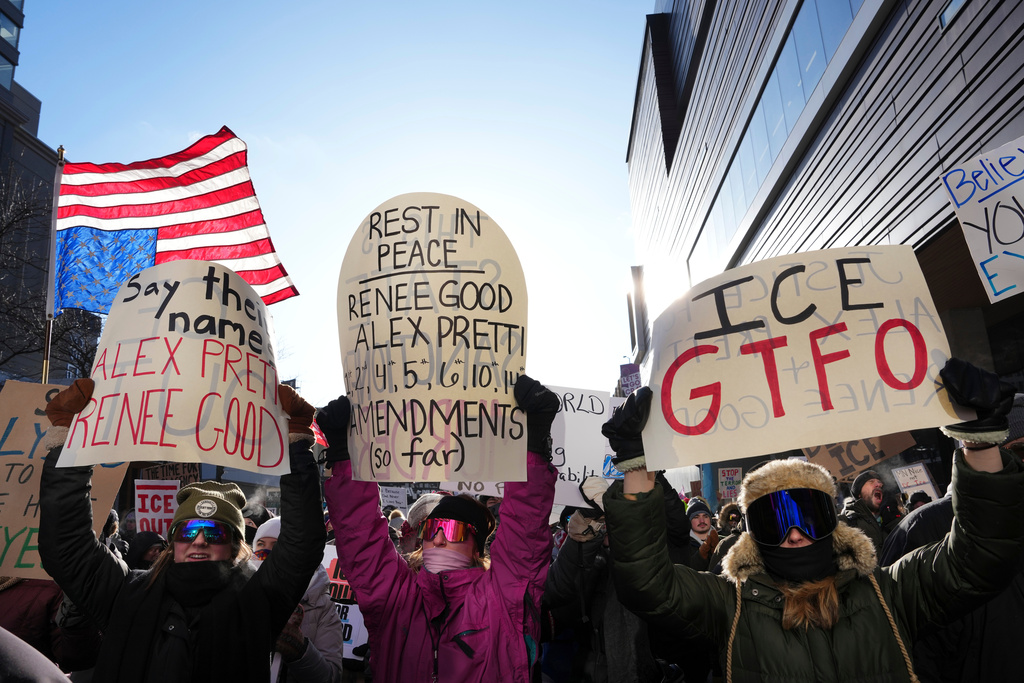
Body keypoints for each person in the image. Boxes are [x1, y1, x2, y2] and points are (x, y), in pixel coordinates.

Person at [601, 359, 1024, 682]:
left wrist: (978, 441)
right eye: (774, 521)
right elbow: (648, 585)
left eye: (807, 515)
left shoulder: (890, 592)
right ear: (751, 535)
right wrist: (638, 468)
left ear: (833, 521)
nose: (795, 534)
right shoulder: (728, 605)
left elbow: (977, 560)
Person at [37, 378, 326, 682]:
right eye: (188, 532)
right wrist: (68, 443)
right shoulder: (127, 592)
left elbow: (301, 542)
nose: (199, 541)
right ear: (173, 541)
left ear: (235, 545)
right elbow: (66, 546)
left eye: (215, 533)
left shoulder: (259, 599)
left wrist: (295, 446)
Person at [319, 375, 559, 682]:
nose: (440, 538)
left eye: (454, 530)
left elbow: (524, 530)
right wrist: (343, 455)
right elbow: (362, 537)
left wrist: (535, 442)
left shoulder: (500, 598)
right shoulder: (397, 597)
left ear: (476, 545)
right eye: (432, 528)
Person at [250, 517, 346, 682]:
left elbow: (330, 677)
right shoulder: (240, 592)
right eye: (260, 546)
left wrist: (299, 650)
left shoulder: (320, 605)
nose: (266, 554)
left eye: (276, 546)